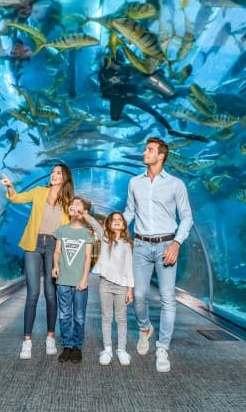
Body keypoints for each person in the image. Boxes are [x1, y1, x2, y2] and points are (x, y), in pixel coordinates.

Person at [124, 137, 194, 373]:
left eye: (150, 150)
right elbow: (129, 212)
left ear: (161, 155)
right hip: (141, 246)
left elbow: (186, 217)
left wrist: (176, 243)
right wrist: (111, 229)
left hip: (167, 245)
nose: (145, 152)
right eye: (145, 149)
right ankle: (145, 329)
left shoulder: (176, 184)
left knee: (167, 298)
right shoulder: (134, 183)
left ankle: (163, 347)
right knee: (140, 295)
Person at [1, 164, 74, 360]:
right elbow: (17, 198)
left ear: (65, 177)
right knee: (32, 294)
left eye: (58, 173)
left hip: (53, 246)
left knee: (51, 294)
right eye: (52, 172)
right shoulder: (39, 192)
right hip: (33, 244)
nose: (53, 175)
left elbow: (70, 228)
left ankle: (50, 337)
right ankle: (27, 342)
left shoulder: (68, 202)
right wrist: (10, 187)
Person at [97, 49, 208, 142]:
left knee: (152, 111)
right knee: (115, 117)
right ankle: (124, 117)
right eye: (117, 63)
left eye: (121, 63)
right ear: (109, 61)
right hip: (116, 98)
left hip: (131, 95)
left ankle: (170, 129)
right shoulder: (103, 73)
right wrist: (115, 84)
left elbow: (143, 73)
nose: (119, 66)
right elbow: (104, 90)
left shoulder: (126, 69)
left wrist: (155, 73)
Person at [51, 197, 96, 363]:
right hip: (63, 279)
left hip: (79, 282)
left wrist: (85, 278)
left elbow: (87, 257)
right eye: (72, 204)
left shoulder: (87, 232)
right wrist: (55, 265)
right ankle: (67, 346)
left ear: (83, 211)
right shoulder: (62, 230)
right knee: (64, 315)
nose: (73, 206)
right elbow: (57, 251)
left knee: (79, 316)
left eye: (78, 204)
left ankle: (77, 346)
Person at [89, 211, 134, 366]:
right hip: (105, 284)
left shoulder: (127, 244)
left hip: (121, 286)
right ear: (108, 224)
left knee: (121, 319)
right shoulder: (105, 238)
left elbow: (129, 268)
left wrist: (130, 289)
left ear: (123, 225)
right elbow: (95, 224)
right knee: (106, 317)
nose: (116, 221)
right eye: (113, 219)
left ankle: (121, 350)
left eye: (119, 219)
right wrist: (84, 214)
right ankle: (107, 349)